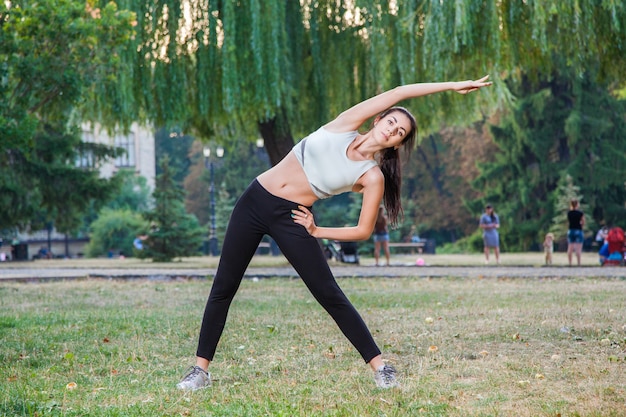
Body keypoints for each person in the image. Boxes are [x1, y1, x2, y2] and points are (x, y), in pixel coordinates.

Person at [176, 76, 493, 391]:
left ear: (396, 143)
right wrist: (451, 86)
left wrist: (317, 229)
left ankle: (381, 367)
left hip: (293, 217)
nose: (392, 130)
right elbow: (400, 91)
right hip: (254, 200)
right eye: (391, 122)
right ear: (378, 118)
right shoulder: (346, 124)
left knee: (328, 292)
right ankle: (200, 371)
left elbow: (363, 230)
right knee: (224, 286)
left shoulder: (371, 177)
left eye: (400, 133)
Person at [566, 199, 585, 266]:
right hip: (578, 230)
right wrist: (581, 225)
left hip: (571, 230)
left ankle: (570, 263)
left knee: (570, 248)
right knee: (578, 249)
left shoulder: (569, 213)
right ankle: (578, 263)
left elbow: (568, 222)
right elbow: (583, 222)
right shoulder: (580, 213)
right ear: (577, 204)